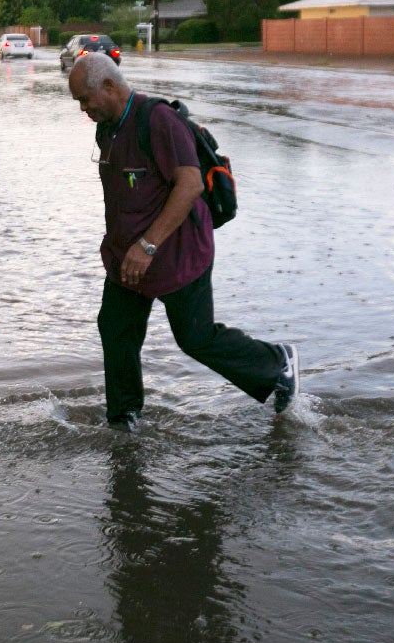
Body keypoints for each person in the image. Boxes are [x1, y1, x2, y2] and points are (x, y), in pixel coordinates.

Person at [68, 52, 299, 431]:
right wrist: (127, 248)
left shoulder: (159, 120)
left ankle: (277, 363)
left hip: (177, 253)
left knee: (196, 338)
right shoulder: (107, 127)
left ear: (109, 87)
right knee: (116, 329)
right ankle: (124, 418)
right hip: (128, 259)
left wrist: (147, 246)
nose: (83, 108)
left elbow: (190, 184)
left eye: (85, 99)